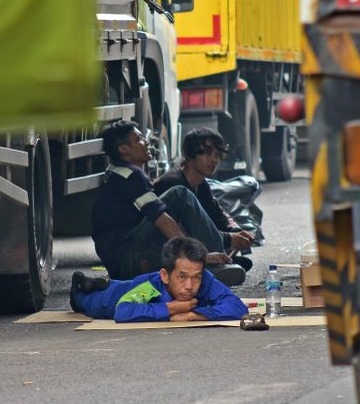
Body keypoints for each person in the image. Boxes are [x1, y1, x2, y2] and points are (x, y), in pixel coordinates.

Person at [91, 120, 246, 286]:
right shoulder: (132, 176)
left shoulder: (117, 171)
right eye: (139, 140)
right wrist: (197, 255)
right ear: (123, 149)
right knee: (179, 194)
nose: (146, 142)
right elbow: (161, 219)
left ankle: (207, 268)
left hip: (123, 262)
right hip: (131, 261)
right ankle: (207, 266)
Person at [71, 237, 248, 322]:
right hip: (112, 298)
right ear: (164, 275)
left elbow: (237, 307)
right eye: (182, 277)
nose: (190, 286)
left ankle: (96, 283)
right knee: (89, 301)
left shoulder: (204, 278)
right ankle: (80, 288)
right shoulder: (149, 286)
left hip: (127, 287)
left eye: (196, 278)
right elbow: (122, 311)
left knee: (118, 286)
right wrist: (172, 308)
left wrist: (191, 315)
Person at [154, 127, 256, 272]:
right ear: (189, 154)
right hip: (167, 250)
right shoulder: (172, 185)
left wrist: (237, 232)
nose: (214, 160)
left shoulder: (201, 184)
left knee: (239, 257)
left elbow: (218, 218)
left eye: (218, 155)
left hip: (194, 248)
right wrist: (229, 238)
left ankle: (216, 265)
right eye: (207, 153)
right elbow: (184, 234)